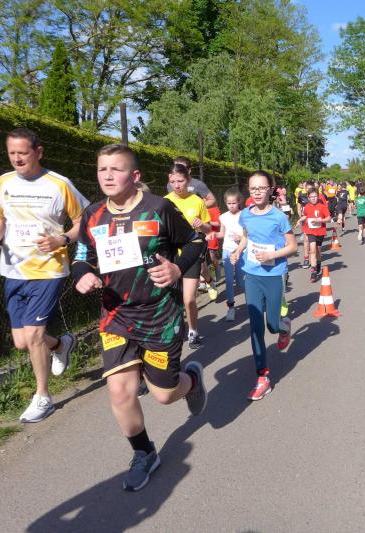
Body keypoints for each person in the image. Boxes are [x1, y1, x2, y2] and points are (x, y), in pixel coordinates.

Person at [72, 144, 208, 492]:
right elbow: (82, 256)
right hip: (116, 314)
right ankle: (144, 452)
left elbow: (196, 241)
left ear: (135, 176)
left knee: (164, 394)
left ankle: (192, 381)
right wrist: (81, 274)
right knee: (120, 391)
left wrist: (177, 268)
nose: (107, 176)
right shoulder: (93, 214)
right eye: (102, 169)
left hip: (160, 314)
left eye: (116, 169)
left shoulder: (159, 208)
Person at [0, 128, 89, 423]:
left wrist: (62, 240)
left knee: (34, 334)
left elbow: (82, 220)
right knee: (22, 341)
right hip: (13, 269)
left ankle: (43, 397)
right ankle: (61, 345)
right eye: (12, 153)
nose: (17, 158)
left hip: (48, 268)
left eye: (23, 153)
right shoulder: (3, 182)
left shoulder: (59, 184)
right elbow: (0, 219)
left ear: (38, 152)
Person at [230, 171, 297, 401]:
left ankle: (284, 327)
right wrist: (238, 251)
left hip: (274, 274)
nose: (257, 192)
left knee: (272, 325)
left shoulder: (279, 217)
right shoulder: (245, 214)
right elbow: (246, 236)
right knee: (256, 327)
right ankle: (262, 377)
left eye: (261, 188)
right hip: (252, 275)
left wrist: (272, 254)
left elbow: (293, 246)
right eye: (253, 188)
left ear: (270, 190)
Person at [165, 163, 212, 349]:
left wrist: (202, 224)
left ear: (188, 180)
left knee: (189, 299)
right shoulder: (164, 202)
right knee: (172, 299)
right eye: (173, 182)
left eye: (180, 181)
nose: (177, 185)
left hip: (191, 253)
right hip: (171, 254)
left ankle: (193, 332)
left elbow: (208, 228)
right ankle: (174, 330)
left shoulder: (197, 201)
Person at [218, 188, 246, 322]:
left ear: (239, 202)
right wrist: (211, 234)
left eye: (234, 203)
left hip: (241, 251)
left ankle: (254, 301)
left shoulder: (244, 215)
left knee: (240, 281)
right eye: (229, 203)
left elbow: (248, 234)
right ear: (225, 203)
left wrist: (241, 237)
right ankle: (231, 307)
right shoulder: (223, 217)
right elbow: (221, 233)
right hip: (227, 251)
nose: (231, 206)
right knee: (229, 280)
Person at [298, 187, 332, 283]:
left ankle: (318, 264)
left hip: (320, 231)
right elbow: (305, 215)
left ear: (318, 197)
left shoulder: (322, 206)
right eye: (311, 197)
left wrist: (320, 220)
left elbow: (329, 218)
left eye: (315, 196)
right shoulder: (307, 207)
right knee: (312, 250)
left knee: (318, 251)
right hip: (310, 231)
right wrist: (300, 220)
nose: (313, 198)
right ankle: (313, 271)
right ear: (308, 198)